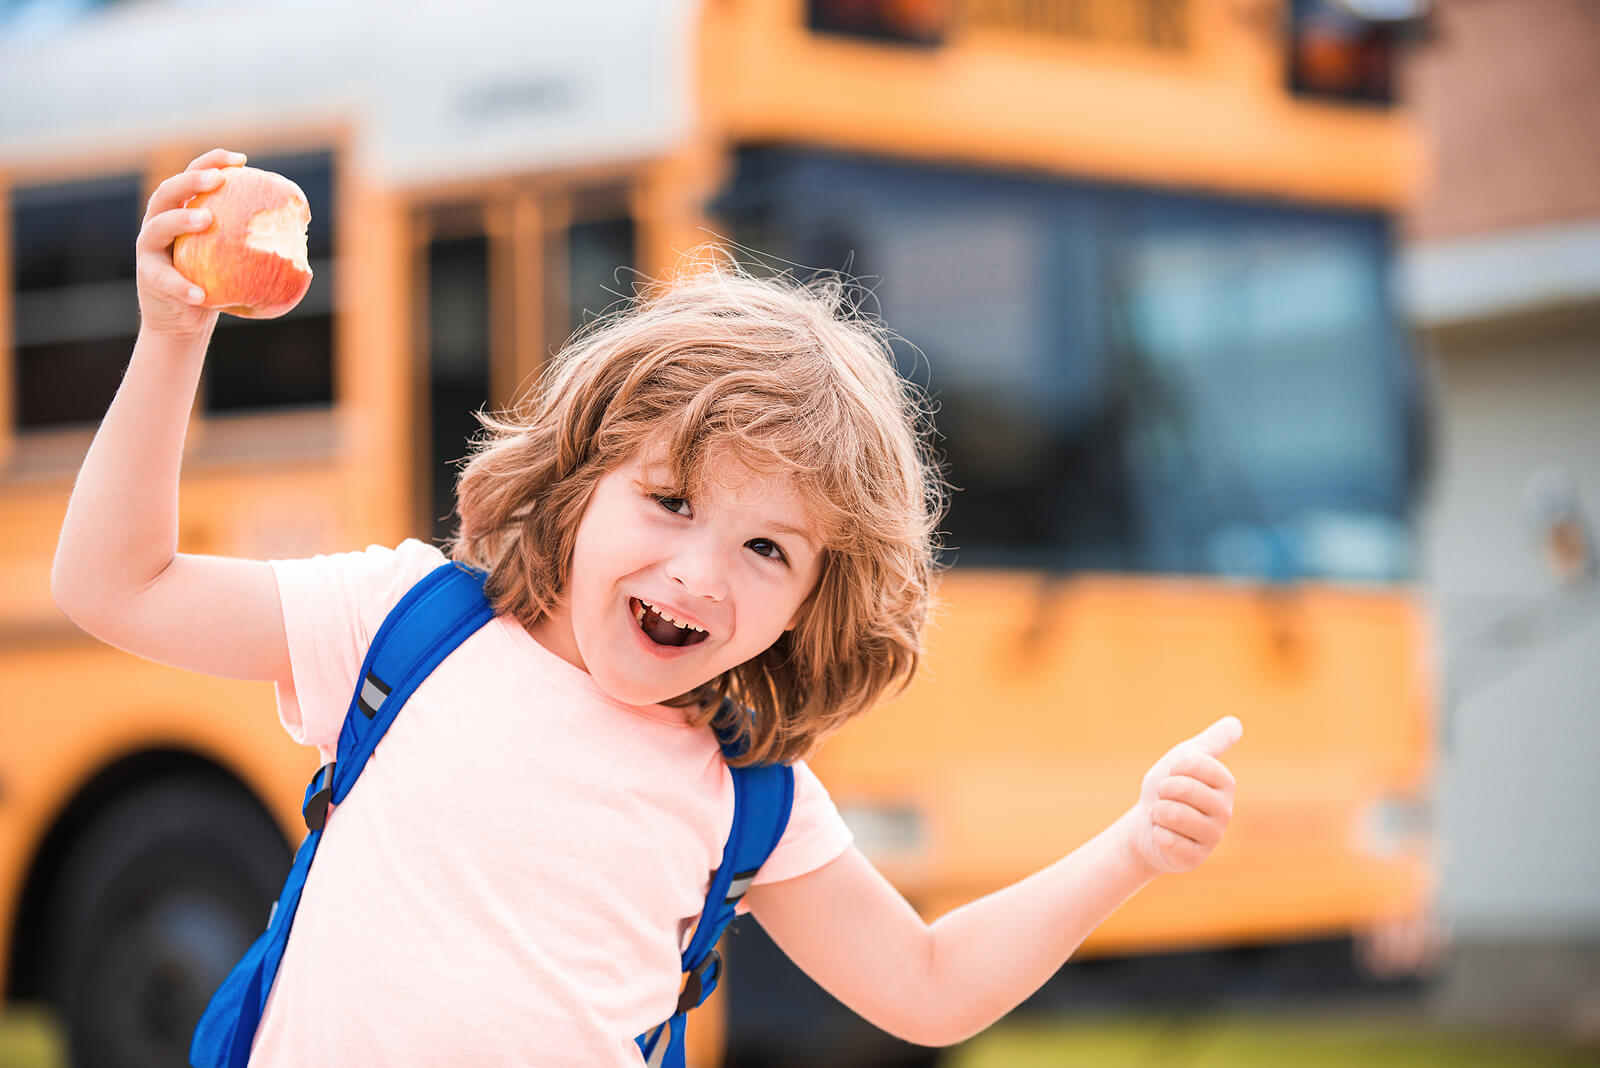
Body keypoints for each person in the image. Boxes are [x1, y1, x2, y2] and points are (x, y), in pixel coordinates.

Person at [52, 148, 1243, 1065]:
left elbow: (928, 985)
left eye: (767, 547)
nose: (699, 573)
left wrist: (1131, 849)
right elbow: (117, 585)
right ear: (578, 482)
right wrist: (172, 335)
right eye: (670, 500)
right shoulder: (404, 624)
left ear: (811, 607)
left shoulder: (749, 795)